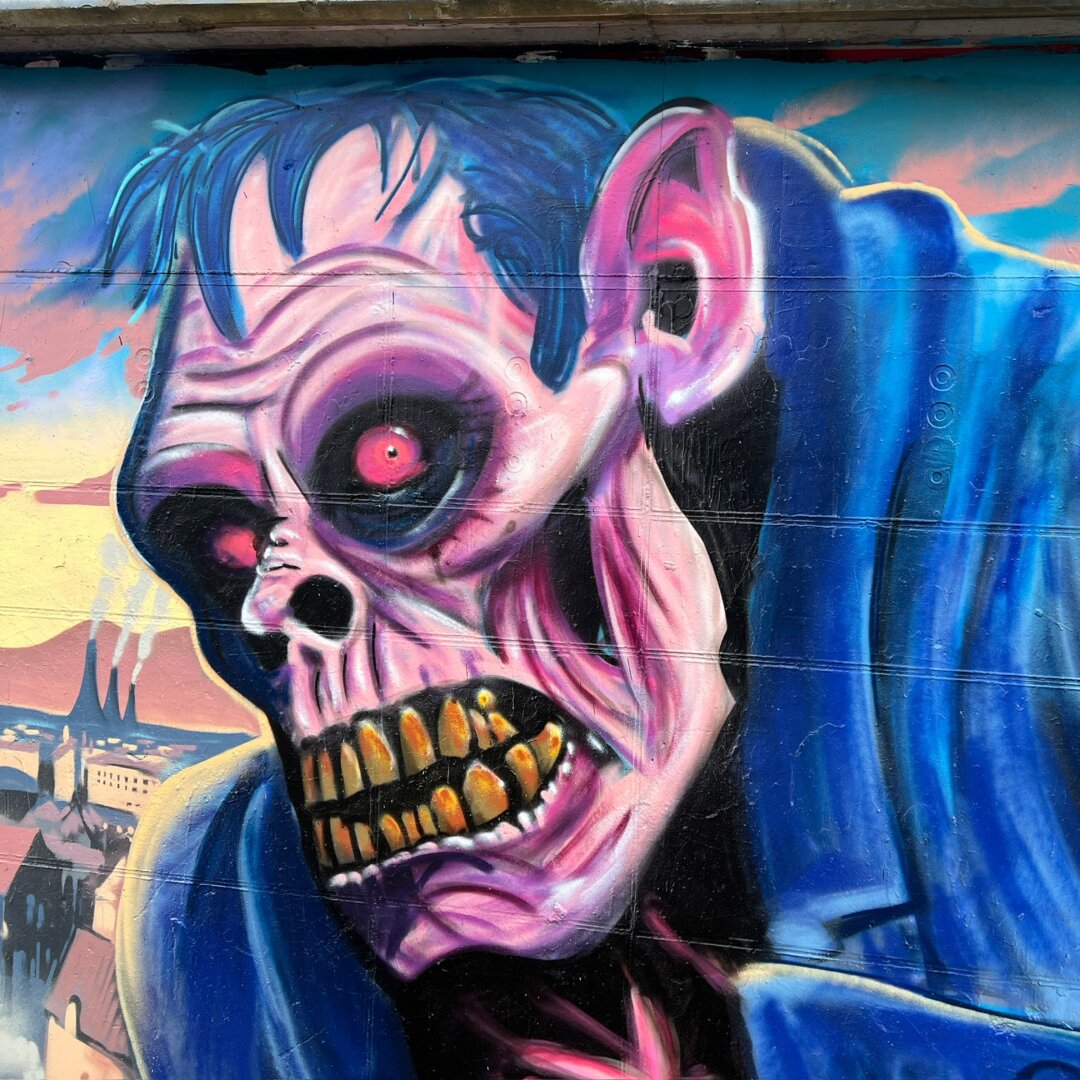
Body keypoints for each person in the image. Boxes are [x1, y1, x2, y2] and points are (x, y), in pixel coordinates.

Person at [105, 78, 1080, 1077]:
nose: (279, 605)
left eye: (395, 456)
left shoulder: (1051, 534)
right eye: (227, 545)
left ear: (676, 287)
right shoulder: (237, 918)